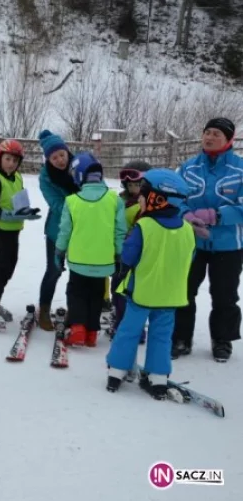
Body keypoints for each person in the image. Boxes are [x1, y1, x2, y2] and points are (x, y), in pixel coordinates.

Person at [106, 169, 195, 398]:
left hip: (142, 293)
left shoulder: (143, 227)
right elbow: (190, 257)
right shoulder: (187, 230)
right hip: (170, 296)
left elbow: (128, 257)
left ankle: (117, 370)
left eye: (144, 197)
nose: (140, 201)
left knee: (128, 330)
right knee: (162, 335)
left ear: (157, 199)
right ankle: (158, 377)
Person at [174, 117, 243, 362]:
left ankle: (222, 339)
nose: (210, 137)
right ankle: (181, 337)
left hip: (228, 244)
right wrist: (187, 215)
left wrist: (217, 215)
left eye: (217, 134)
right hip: (191, 242)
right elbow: (173, 197)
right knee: (183, 289)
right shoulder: (188, 168)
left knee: (224, 294)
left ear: (228, 140)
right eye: (207, 132)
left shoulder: (239, 168)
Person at [55, 152, 127, 347]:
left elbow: (64, 232)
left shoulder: (72, 201)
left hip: (78, 261)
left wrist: (59, 253)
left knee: (76, 292)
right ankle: (92, 333)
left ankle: (78, 328)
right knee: (96, 294)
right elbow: (120, 232)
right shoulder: (115, 200)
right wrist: (120, 256)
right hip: (104, 262)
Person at [0, 139, 41, 331]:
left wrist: (25, 211)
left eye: (15, 160)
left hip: (13, 228)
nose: (11, 163)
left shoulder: (17, 177)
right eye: (7, 159)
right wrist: (1, 213)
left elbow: (17, 200)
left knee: (9, 266)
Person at [36, 129, 78, 330]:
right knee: (54, 270)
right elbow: (57, 204)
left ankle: (77, 311)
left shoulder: (81, 166)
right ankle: (43, 310)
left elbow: (97, 187)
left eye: (62, 155)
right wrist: (83, 208)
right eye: (54, 158)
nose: (60, 160)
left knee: (80, 272)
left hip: (84, 230)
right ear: (48, 160)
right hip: (57, 229)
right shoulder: (46, 177)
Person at [107, 160, 152, 339]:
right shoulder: (119, 200)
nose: (134, 188)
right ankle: (121, 320)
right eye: (130, 184)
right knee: (117, 289)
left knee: (131, 292)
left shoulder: (146, 205)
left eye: (138, 184)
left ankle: (132, 328)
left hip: (136, 256)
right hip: (119, 254)